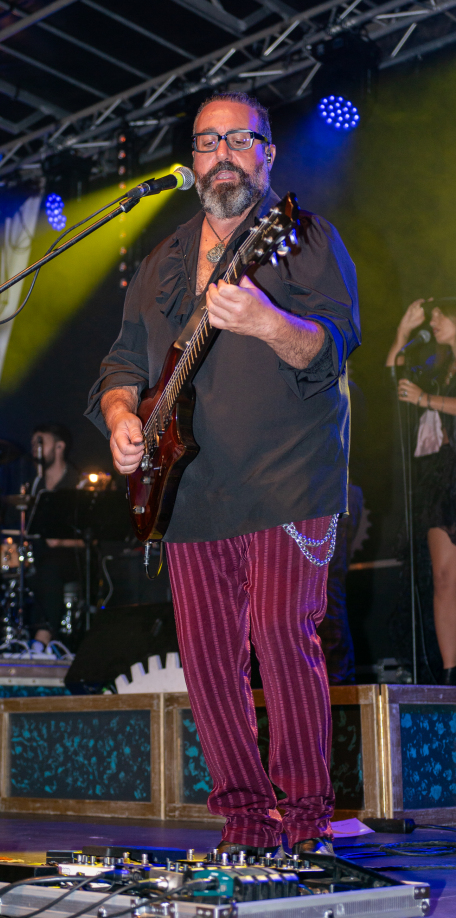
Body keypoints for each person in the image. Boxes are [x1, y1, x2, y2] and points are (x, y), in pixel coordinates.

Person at [86, 91, 360, 856]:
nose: (223, 155)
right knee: (208, 661)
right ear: (193, 160)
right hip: (189, 492)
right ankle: (244, 821)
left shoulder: (301, 237)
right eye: (208, 142)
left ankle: (305, 821)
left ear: (268, 154)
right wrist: (121, 417)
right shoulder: (160, 263)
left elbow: (334, 344)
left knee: (281, 632)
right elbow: (121, 365)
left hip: (288, 479)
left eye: (240, 139)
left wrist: (269, 323)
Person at [0, 422, 81, 647]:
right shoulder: (34, 486)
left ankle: (42, 640)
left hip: (67, 558)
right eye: (33, 443)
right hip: (34, 555)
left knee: (49, 565)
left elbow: (94, 537)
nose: (34, 447)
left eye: (41, 442)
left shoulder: (77, 484)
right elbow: (0, 514)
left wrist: (60, 541)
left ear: (60, 447)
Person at [387, 298, 456, 683]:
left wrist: (426, 400)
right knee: (444, 577)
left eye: (440, 315)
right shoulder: (439, 366)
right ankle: (450, 672)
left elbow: (422, 399)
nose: (434, 322)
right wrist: (403, 333)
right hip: (444, 480)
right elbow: (393, 374)